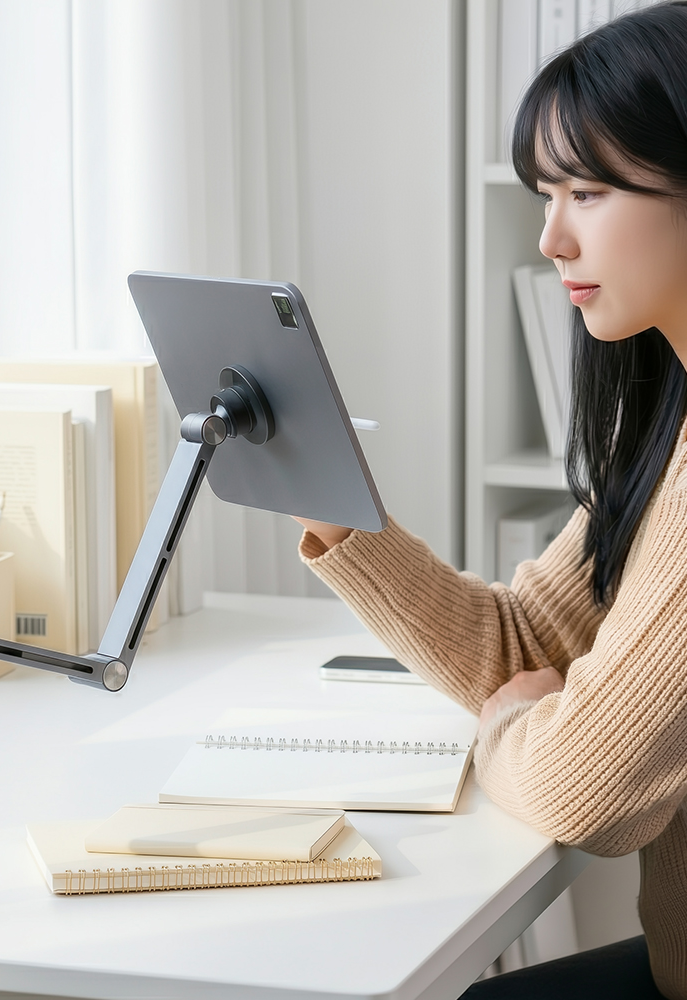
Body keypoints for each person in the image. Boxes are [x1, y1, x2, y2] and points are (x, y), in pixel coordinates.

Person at [294, 5, 687, 998]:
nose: (550, 236)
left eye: (586, 191)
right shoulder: (666, 427)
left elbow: (580, 787)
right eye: (545, 194)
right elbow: (523, 645)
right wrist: (337, 510)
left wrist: (519, 725)